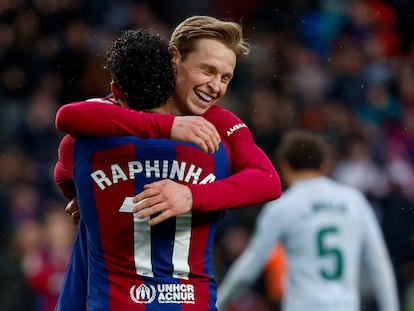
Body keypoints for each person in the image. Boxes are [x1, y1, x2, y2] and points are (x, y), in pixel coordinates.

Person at [56, 15, 281, 227]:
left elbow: (268, 181)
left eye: (225, 78)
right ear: (174, 57)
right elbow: (68, 119)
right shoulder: (126, 106)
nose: (216, 86)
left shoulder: (220, 120)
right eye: (207, 70)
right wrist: (84, 192)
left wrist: (192, 196)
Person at [217, 130, 400, 311]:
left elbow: (249, 267)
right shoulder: (354, 201)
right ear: (323, 166)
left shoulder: (283, 207)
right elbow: (379, 264)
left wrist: (217, 303)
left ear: (285, 166)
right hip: (345, 306)